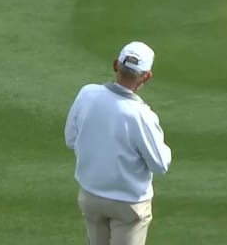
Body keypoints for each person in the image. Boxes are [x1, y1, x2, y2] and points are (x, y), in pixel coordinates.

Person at [64, 41, 173, 245]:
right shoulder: (142, 115)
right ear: (146, 76)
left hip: (91, 197)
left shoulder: (87, 94)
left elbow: (71, 139)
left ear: (116, 65)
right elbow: (160, 164)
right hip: (128, 204)